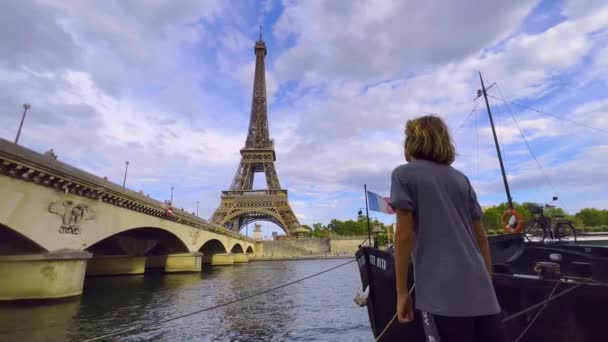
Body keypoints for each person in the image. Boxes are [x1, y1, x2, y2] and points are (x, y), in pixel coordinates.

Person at [390, 115, 506, 342]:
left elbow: (403, 236)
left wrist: (402, 292)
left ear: (411, 142)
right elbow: (481, 238)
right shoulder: (461, 179)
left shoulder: (403, 175)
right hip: (482, 292)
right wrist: (487, 283)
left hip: (441, 296)